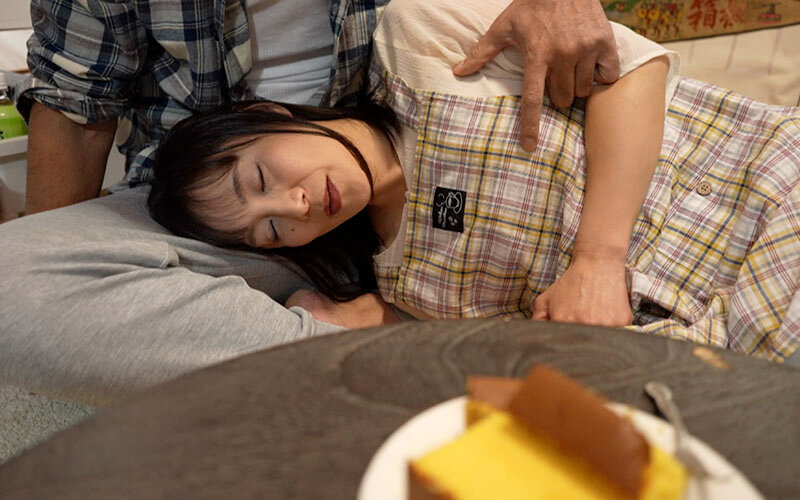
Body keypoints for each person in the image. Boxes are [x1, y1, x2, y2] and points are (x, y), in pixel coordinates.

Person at [0, 0, 620, 405]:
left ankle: (391, 334)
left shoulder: (422, 60)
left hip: (386, 144)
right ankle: (362, 341)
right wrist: (65, 271)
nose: (296, 205)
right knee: (12, 286)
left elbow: (628, 68)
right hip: (192, 201)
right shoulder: (260, 216)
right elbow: (73, 98)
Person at [148, 0, 800, 366]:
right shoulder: (401, 280)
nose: (292, 207)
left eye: (261, 176)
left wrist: (598, 260)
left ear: (269, 114)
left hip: (766, 187)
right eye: (269, 229)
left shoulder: (414, 41)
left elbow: (629, 69)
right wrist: (351, 318)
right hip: (719, 340)